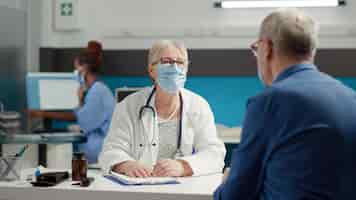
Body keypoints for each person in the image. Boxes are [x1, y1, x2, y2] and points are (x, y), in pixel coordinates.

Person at [214, 8, 356, 200]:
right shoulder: (350, 98)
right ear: (312, 51)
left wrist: (225, 184)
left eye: (256, 49)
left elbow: (237, 194)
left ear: (266, 48)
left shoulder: (270, 102)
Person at [99, 40, 226, 177]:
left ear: (186, 69)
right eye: (166, 61)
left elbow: (214, 154)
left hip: (183, 190)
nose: (174, 68)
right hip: (139, 188)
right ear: (151, 70)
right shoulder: (129, 106)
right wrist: (126, 164)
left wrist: (183, 166)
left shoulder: (198, 105)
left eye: (180, 62)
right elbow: (110, 151)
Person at [29, 41, 115, 164]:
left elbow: (82, 120)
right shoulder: (93, 91)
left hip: (98, 154)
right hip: (93, 154)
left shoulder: (98, 91)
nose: (75, 74)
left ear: (84, 69)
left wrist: (42, 113)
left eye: (76, 70)